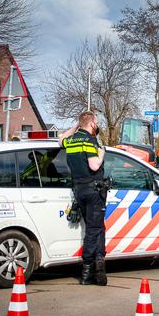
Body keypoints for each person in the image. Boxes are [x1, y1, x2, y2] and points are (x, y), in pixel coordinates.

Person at [59, 111, 108, 286]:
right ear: (93, 123)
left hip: (79, 190)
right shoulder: (89, 141)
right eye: (95, 122)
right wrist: (101, 153)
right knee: (94, 230)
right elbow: (94, 165)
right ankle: (87, 272)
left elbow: (61, 139)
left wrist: (76, 127)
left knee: (97, 226)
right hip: (94, 190)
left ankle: (99, 260)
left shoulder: (71, 141)